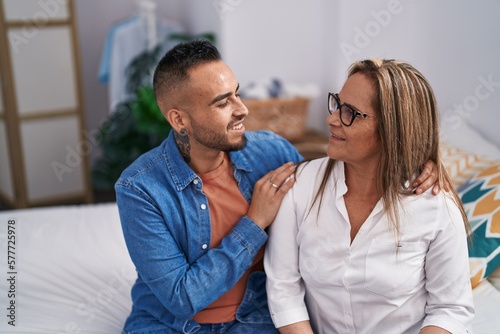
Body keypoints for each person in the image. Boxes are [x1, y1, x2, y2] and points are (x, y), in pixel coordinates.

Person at [115, 40, 442, 334]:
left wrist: (416, 161)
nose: (243, 109)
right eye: (222, 103)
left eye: (237, 93)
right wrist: (254, 223)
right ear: (179, 119)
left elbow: (342, 175)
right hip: (168, 325)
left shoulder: (270, 153)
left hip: (254, 320)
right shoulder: (139, 188)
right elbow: (182, 298)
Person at [264, 59, 475, 334]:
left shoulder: (436, 206)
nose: (331, 119)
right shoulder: (302, 186)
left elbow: (451, 310)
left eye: (349, 113)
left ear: (393, 129)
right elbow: (284, 288)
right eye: (336, 104)